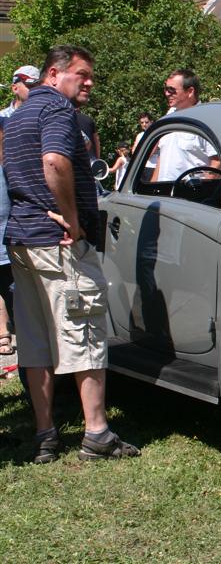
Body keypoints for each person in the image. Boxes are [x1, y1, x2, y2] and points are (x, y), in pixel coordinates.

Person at [2, 44, 140, 462]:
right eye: (81, 74)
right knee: (84, 332)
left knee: (35, 340)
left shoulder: (18, 115)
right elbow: (54, 162)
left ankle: (45, 433)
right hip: (58, 242)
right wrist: (73, 219)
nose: (89, 82)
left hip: (22, 240)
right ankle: (97, 432)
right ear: (53, 75)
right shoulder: (57, 111)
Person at [0, 65, 40, 358]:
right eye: (28, 84)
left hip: (28, 213)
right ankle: (5, 331)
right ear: (15, 87)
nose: (32, 89)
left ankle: (27, 334)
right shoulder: (2, 121)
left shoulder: (45, 117)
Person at [153, 69, 219, 181]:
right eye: (166, 89)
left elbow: (217, 162)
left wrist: (202, 191)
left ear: (190, 91)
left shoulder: (205, 120)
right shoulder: (169, 116)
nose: (167, 93)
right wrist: (152, 188)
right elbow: (163, 156)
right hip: (163, 192)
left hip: (188, 194)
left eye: (171, 90)